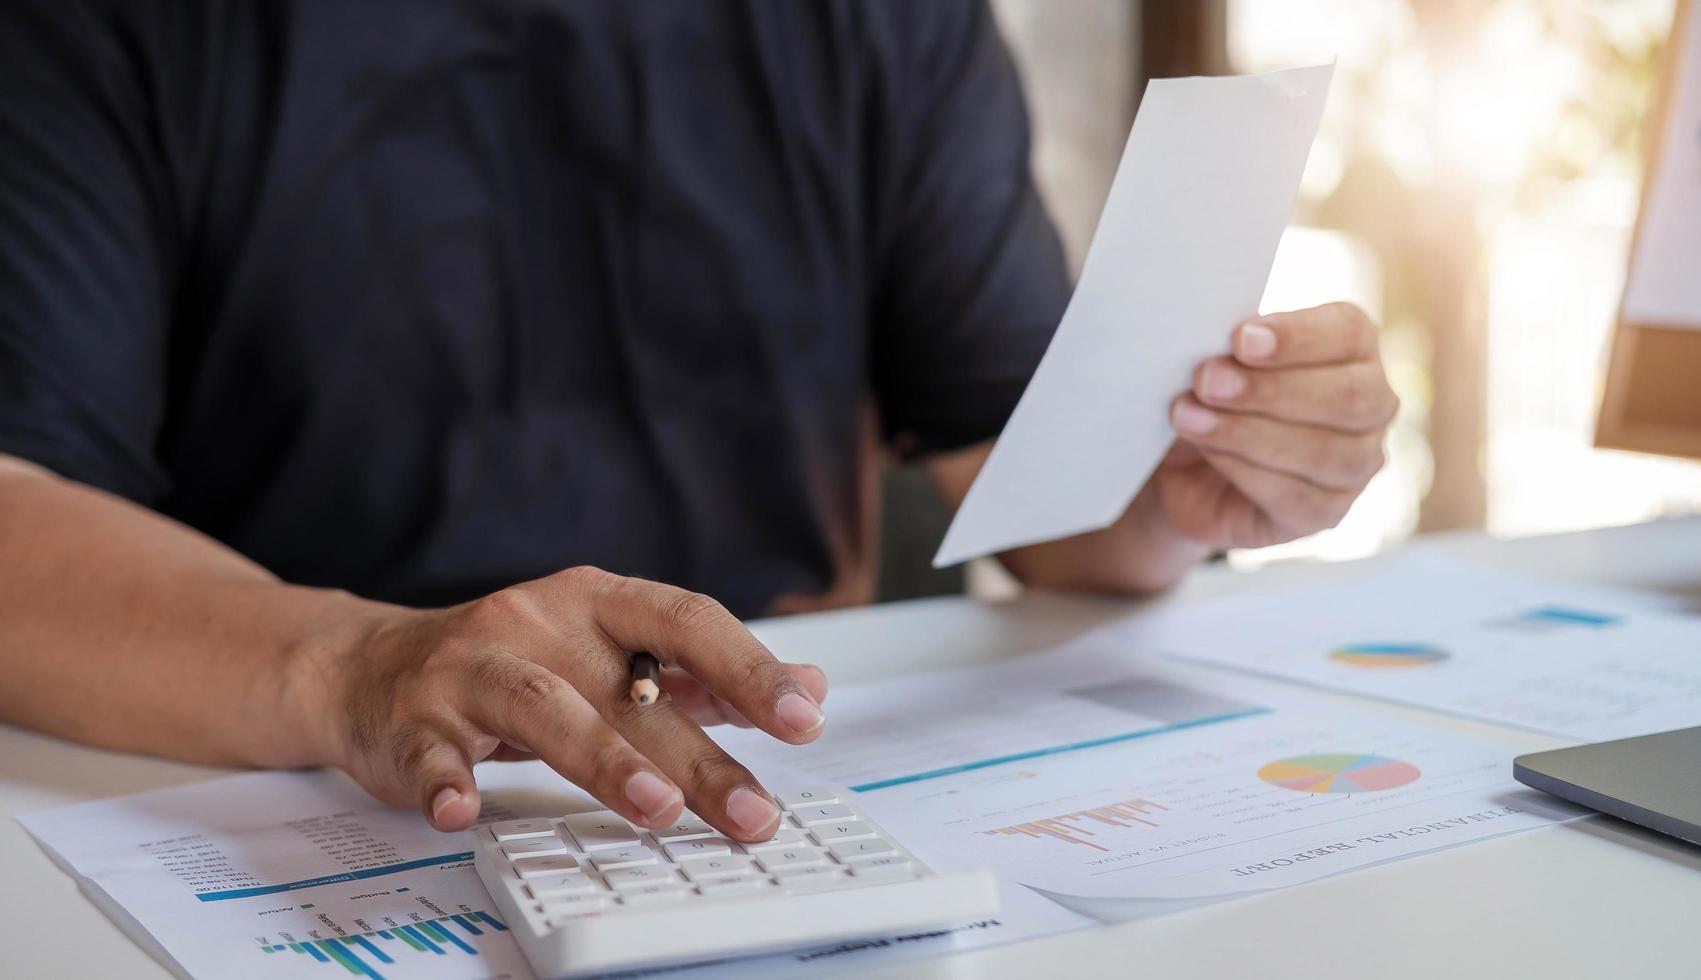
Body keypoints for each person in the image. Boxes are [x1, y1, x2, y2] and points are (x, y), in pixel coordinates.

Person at [0, 1, 1397, 845]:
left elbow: (1054, 517)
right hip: (270, 787)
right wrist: (363, 667)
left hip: (758, 796)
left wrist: (1185, 484)